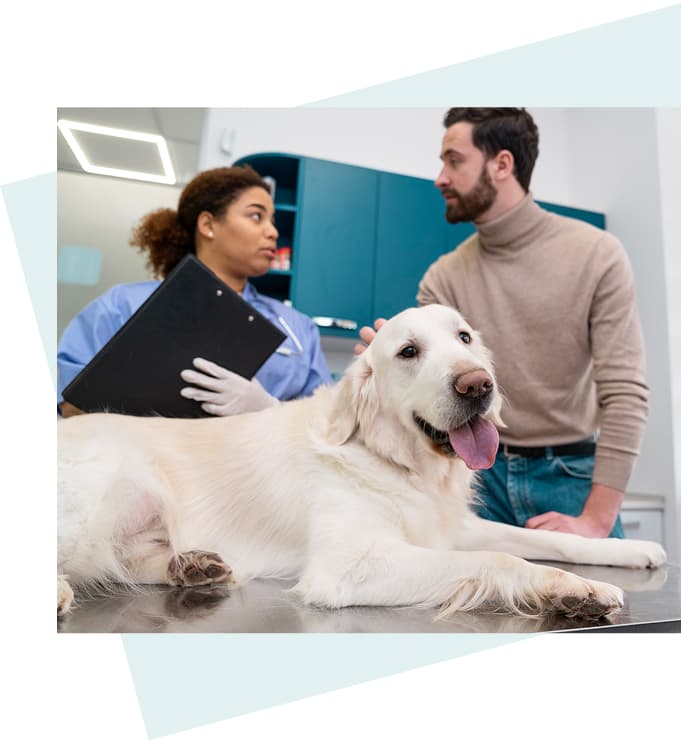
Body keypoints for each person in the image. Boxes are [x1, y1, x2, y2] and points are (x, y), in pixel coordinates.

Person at [358, 108, 648, 538]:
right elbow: (435, 391)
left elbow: (625, 392)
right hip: (473, 475)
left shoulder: (597, 254)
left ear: (502, 164)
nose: (440, 177)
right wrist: (393, 360)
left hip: (570, 475)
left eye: (453, 160)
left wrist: (596, 519)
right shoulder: (443, 276)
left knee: (602, 598)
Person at [58, 165, 331, 417]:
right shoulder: (123, 305)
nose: (272, 231)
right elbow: (67, 403)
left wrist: (269, 410)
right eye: (256, 216)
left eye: (273, 220)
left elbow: (326, 423)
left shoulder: (299, 328)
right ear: (208, 225)